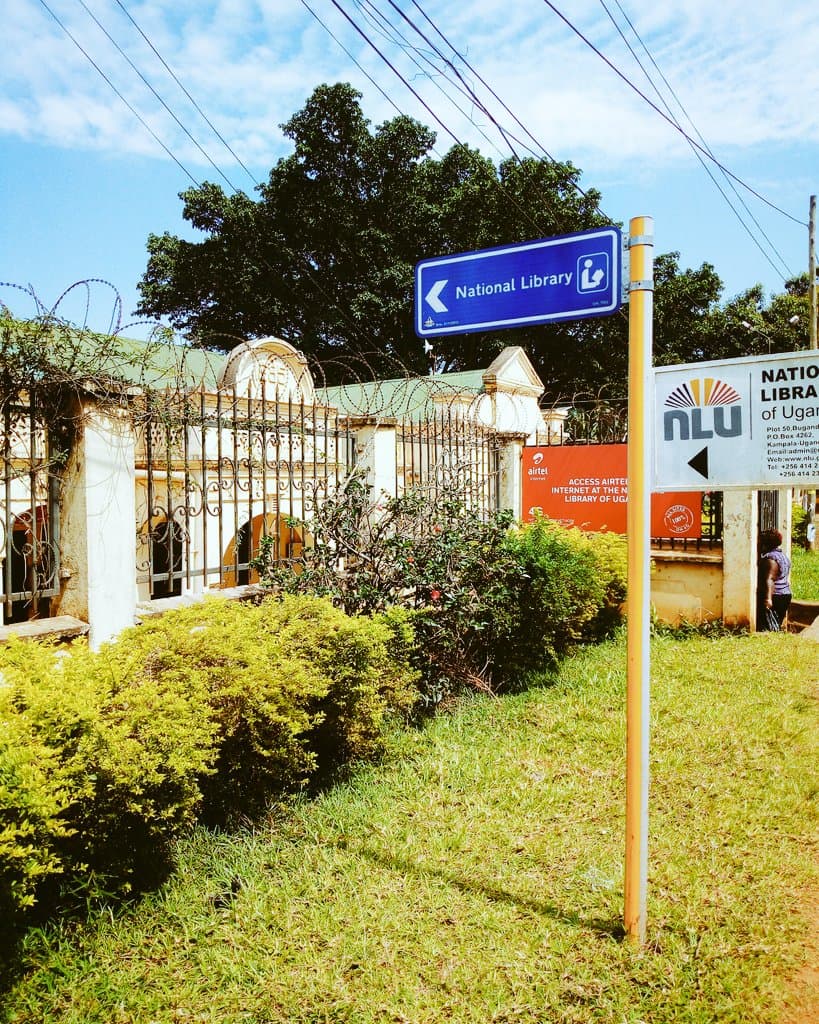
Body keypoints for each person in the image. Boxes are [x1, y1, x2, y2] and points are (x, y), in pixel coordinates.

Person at [757, 528, 792, 631]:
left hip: (776, 596)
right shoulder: (783, 556)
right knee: (776, 624)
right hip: (785, 594)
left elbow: (770, 579)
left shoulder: (770, 559)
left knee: (769, 626)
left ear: (766, 544)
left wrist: (768, 599)